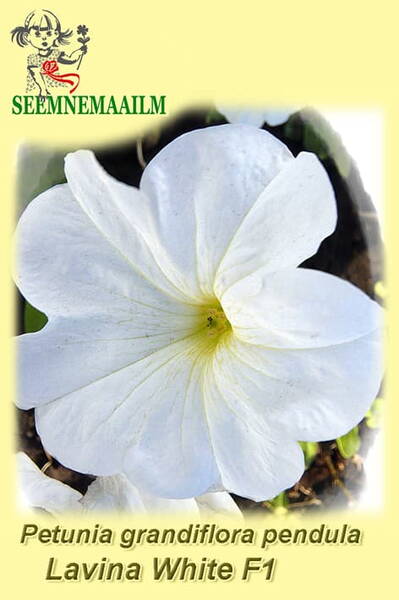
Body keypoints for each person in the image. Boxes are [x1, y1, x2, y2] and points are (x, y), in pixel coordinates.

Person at [11, 9, 87, 97]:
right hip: (38, 90)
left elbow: (70, 59)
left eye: (49, 33)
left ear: (56, 34)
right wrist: (43, 90)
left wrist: (79, 52)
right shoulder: (33, 58)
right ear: (27, 36)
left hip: (55, 88)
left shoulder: (55, 53)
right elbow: (36, 74)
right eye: (37, 34)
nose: (44, 38)